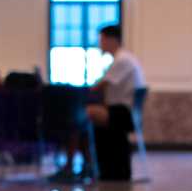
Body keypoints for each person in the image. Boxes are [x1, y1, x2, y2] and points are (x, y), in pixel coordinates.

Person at [52, 24, 145, 182]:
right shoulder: (123, 58)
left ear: (112, 40)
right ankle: (88, 164)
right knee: (83, 115)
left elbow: (99, 87)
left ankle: (75, 164)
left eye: (101, 40)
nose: (99, 44)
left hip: (122, 113)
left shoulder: (122, 60)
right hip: (122, 110)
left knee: (81, 115)